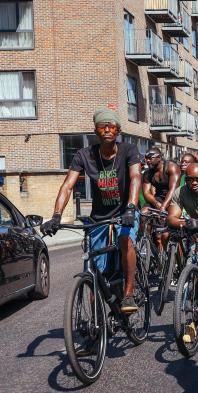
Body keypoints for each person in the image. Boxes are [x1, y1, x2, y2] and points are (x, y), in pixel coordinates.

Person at [41, 107, 142, 312]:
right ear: (95, 131)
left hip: (126, 213)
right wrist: (56, 216)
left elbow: (135, 178)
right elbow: (68, 185)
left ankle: (129, 293)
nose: (107, 129)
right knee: (96, 267)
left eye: (111, 126)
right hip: (99, 217)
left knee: (125, 240)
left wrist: (131, 207)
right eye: (102, 126)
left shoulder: (129, 150)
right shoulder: (84, 155)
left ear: (118, 130)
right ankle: (98, 317)